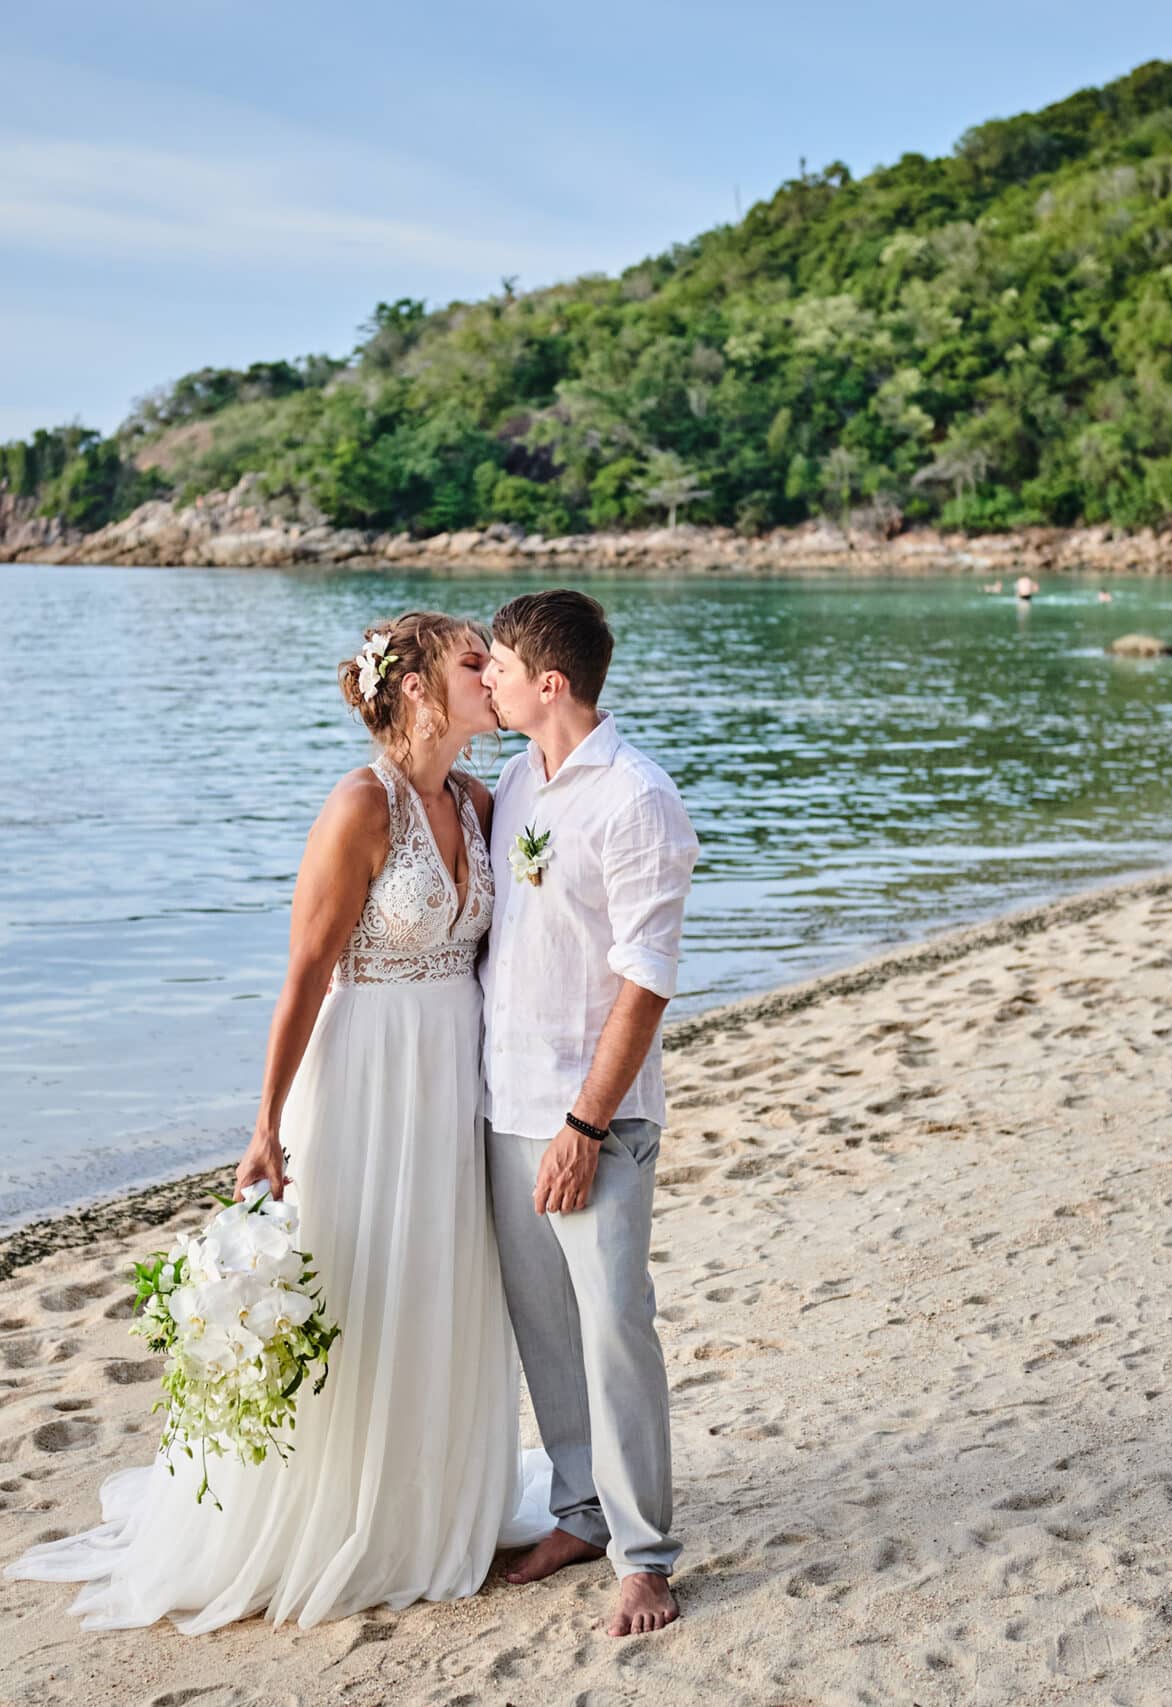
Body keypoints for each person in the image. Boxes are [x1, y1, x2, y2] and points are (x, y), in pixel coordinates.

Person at [3, 611, 549, 1631]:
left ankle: (429, 1504)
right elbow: (303, 974)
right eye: (475, 663)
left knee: (440, 1280)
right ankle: (336, 1513)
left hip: (451, 1078)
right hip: (362, 1077)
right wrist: (263, 1127)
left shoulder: (478, 798)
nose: (495, 676)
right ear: (421, 689)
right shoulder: (359, 806)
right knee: (357, 1282)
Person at [479, 590, 699, 1639]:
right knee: (546, 1333)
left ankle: (644, 1555)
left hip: (590, 1119)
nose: (486, 681)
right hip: (503, 1104)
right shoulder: (521, 778)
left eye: (499, 669)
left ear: (548, 684)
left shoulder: (635, 800)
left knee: (614, 1329)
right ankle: (578, 1511)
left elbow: (644, 981)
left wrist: (585, 1126)